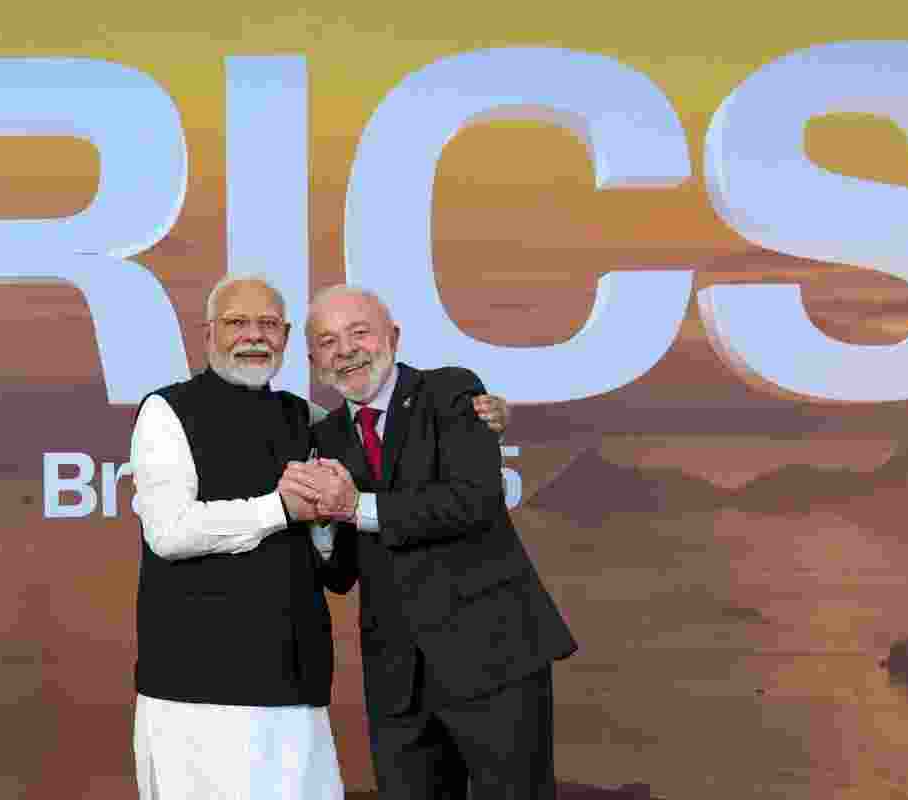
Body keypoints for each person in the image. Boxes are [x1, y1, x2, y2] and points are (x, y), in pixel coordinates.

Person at [127, 275, 510, 800]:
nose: (253, 335)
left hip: (294, 678)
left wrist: (482, 420)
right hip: (195, 685)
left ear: (286, 338)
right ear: (208, 333)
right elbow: (169, 532)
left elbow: (389, 463)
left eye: (267, 324)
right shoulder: (165, 411)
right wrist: (276, 509)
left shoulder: (309, 420)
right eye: (238, 323)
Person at [286, 284, 578, 800]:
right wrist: (323, 524)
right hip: (398, 680)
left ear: (392, 337)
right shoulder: (326, 439)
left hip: (493, 658)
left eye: (360, 332)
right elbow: (342, 573)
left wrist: (355, 507)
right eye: (329, 342)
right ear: (313, 360)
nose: (346, 350)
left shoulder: (451, 393)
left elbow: (473, 501)